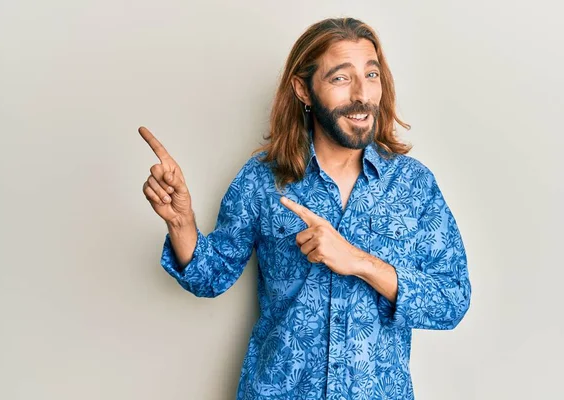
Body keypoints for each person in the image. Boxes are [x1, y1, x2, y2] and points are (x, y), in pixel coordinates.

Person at [140, 17, 471, 400]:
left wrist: (360, 262)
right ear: (304, 89)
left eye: (372, 74)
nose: (363, 94)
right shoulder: (263, 180)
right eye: (341, 79)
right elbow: (210, 277)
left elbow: (452, 301)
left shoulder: (413, 185)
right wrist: (181, 223)